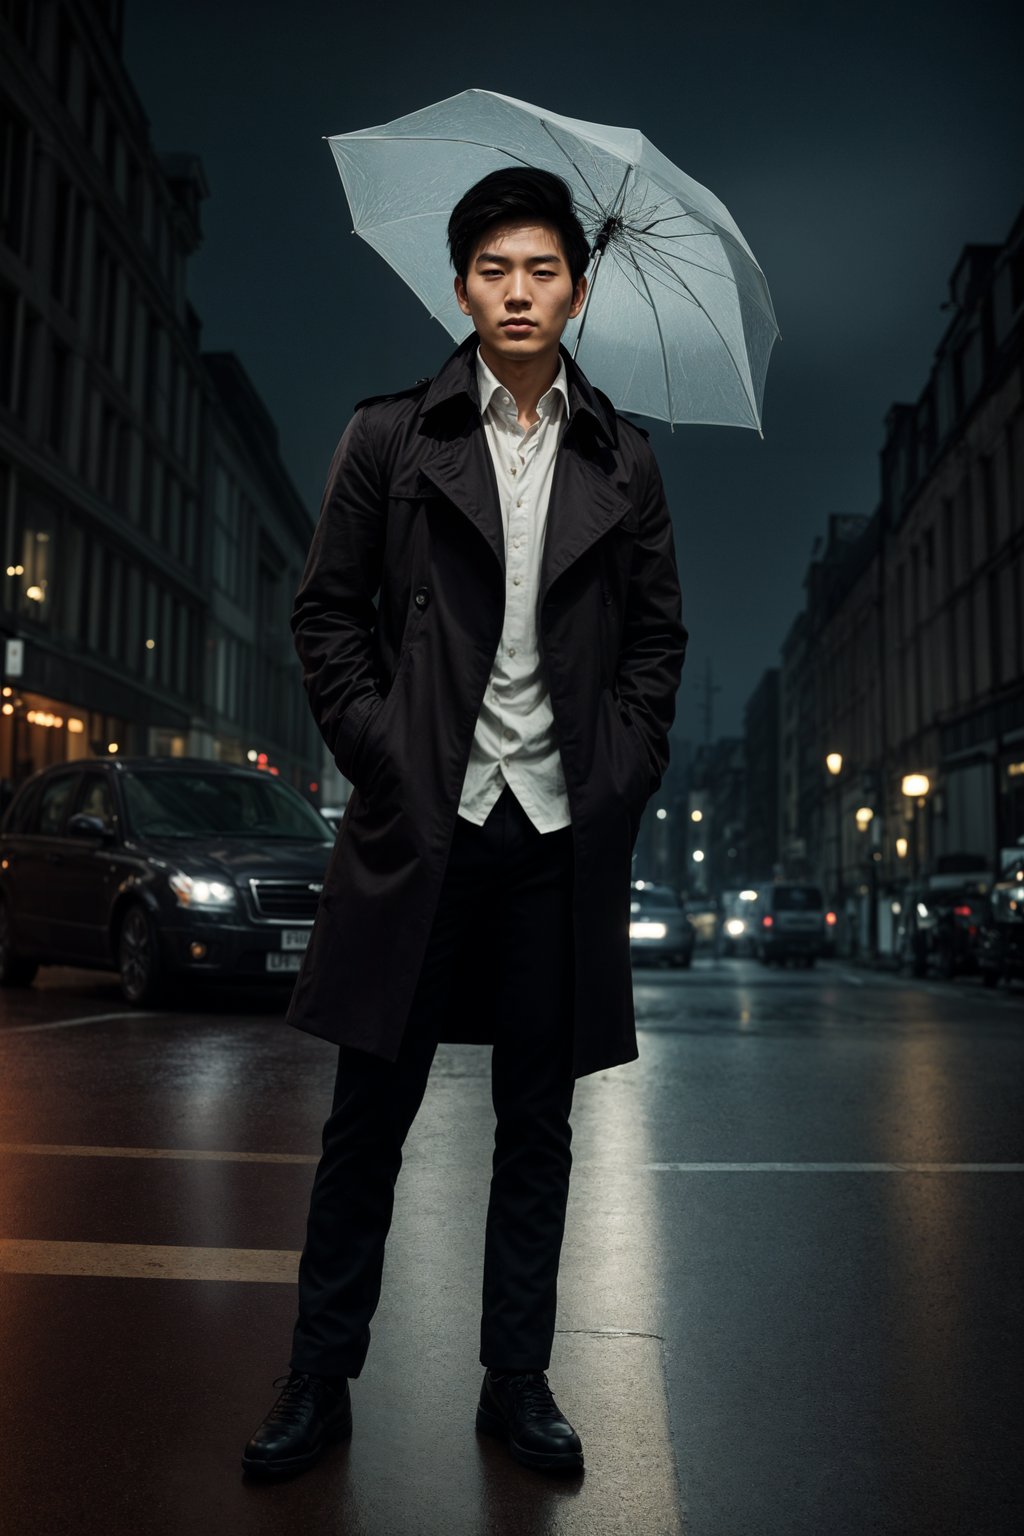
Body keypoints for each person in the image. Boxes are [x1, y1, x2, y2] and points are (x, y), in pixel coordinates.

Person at [243, 167, 687, 1480]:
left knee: (537, 1127)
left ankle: (518, 1382)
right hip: (420, 826)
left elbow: (659, 642)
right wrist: (387, 758)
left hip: (555, 839)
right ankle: (316, 1382)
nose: (517, 291)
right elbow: (325, 617)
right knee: (364, 1120)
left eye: (542, 269)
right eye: (493, 269)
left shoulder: (627, 456)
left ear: (578, 289)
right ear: (459, 288)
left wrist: (615, 772)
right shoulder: (390, 438)